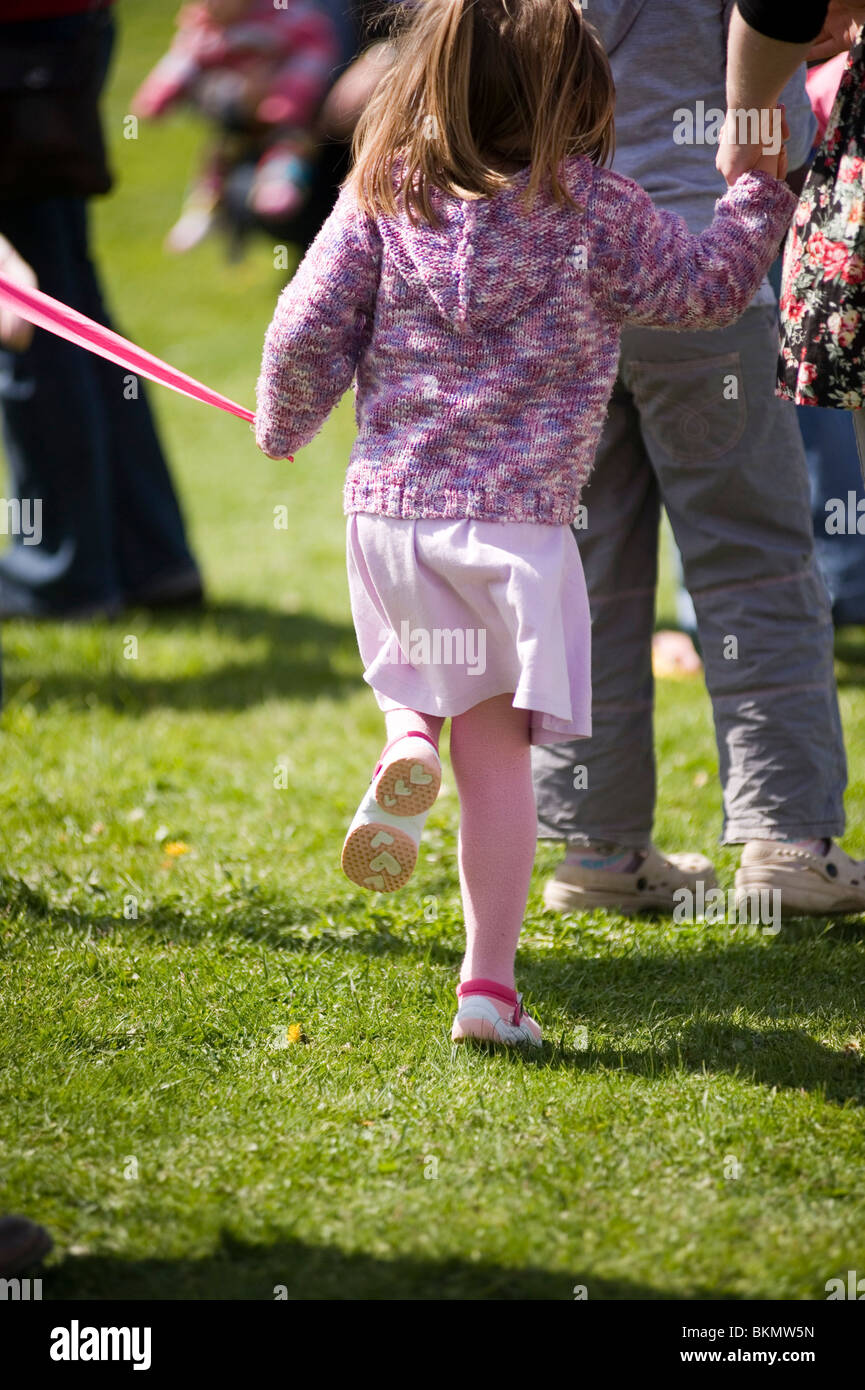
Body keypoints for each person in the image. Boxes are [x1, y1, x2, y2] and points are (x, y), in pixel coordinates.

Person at [255, 0, 795, 1046]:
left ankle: (404, 736)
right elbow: (706, 287)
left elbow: (302, 327)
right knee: (495, 757)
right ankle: (486, 989)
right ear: (580, 95)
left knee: (417, 684)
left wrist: (283, 427)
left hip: (393, 521)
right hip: (514, 534)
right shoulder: (595, 210)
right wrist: (755, 191)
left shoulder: (383, 191)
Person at [533, 0, 865, 922]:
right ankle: (788, 840)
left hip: (557, 288)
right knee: (753, 561)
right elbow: (769, 110)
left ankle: (596, 844)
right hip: (706, 267)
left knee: (581, 574)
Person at [0, 0, 202, 619]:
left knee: (28, 312)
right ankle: (148, 557)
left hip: (20, 44)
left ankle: (62, 571)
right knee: (66, 299)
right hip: (58, 30)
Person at [133, 0, 342, 251]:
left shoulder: (282, 18)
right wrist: (161, 93)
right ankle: (203, 208)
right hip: (239, 115)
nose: (213, 8)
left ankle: (280, 181)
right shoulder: (206, 26)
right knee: (219, 154)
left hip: (291, 112)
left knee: (291, 143)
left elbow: (313, 52)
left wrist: (290, 94)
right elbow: (182, 61)